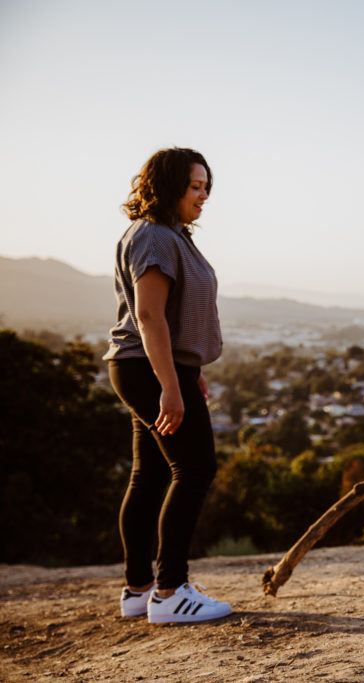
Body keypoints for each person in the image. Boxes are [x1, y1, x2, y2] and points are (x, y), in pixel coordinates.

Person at [104, 147, 231, 623]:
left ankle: (139, 590)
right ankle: (170, 591)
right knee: (195, 469)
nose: (203, 196)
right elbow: (150, 315)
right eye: (195, 186)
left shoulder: (166, 235)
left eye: (206, 188)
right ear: (169, 185)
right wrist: (170, 387)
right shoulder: (156, 238)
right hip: (150, 368)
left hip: (153, 367)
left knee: (152, 475)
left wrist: (189, 375)